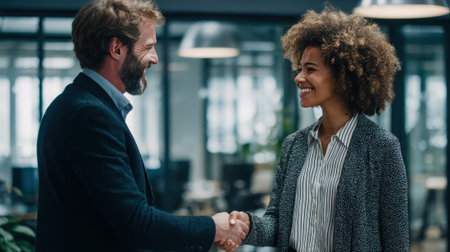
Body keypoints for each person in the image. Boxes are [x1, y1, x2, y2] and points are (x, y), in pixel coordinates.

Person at [36, 0, 248, 251]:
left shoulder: (75, 104)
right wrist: (214, 227)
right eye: (148, 47)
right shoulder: (89, 114)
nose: (155, 59)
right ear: (116, 48)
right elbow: (136, 223)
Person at [217, 7, 408, 252]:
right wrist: (248, 225)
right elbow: (279, 222)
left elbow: (396, 240)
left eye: (311, 69)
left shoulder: (382, 147)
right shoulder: (294, 144)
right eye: (300, 68)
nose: (298, 77)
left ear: (343, 76)